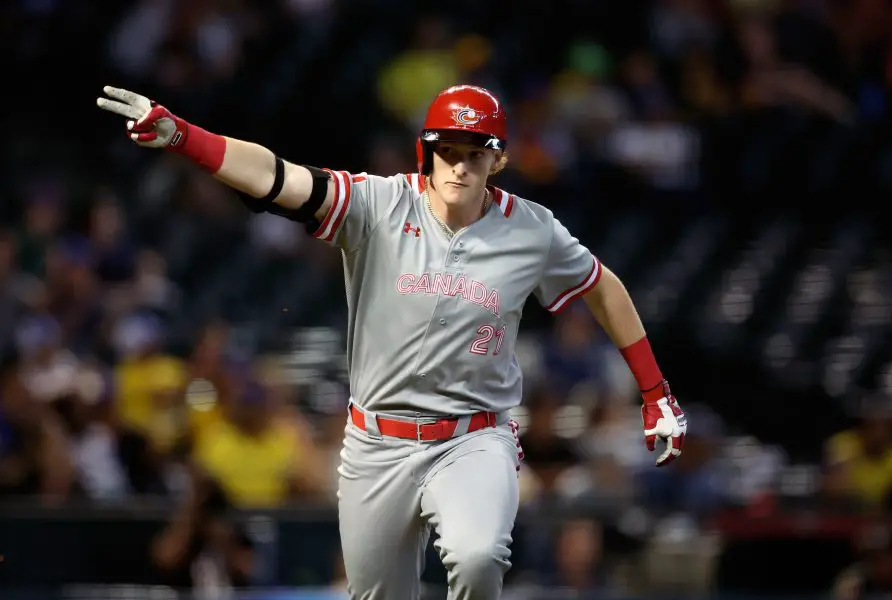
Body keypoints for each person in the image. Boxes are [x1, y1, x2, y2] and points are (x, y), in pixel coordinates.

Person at [97, 83, 688, 600]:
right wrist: (184, 137)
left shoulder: (531, 230)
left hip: (473, 438)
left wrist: (655, 390)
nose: (458, 167)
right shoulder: (380, 205)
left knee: (478, 557)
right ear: (426, 152)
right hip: (376, 443)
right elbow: (278, 177)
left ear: (498, 161)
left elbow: (602, 286)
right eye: (447, 153)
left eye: (474, 155)